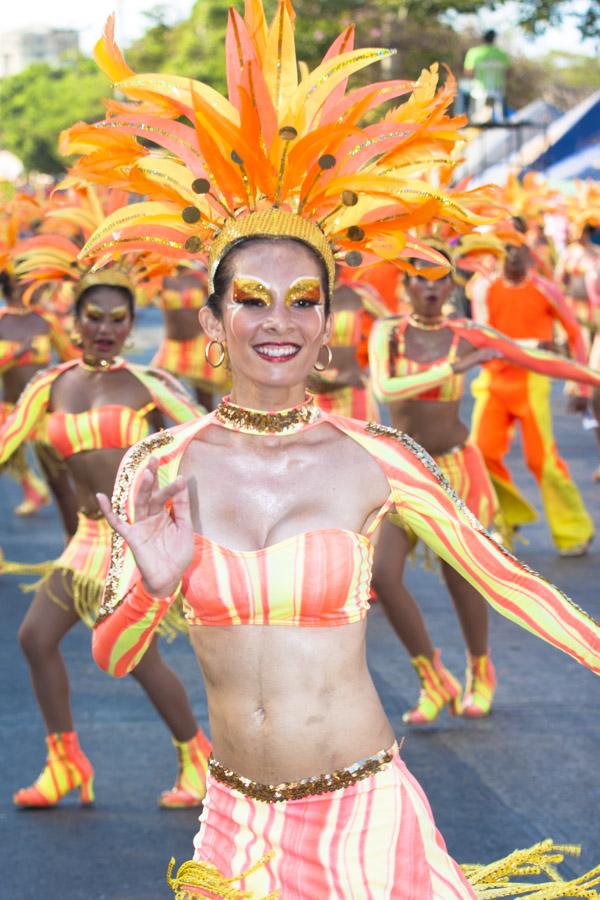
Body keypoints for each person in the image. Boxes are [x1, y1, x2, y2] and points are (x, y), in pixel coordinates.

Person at [74, 7, 600, 895]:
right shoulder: (158, 466)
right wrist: (151, 593)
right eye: (251, 298)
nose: (277, 320)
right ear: (212, 321)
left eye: (303, 300)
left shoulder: (378, 457)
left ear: (326, 323)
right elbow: (115, 658)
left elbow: (508, 581)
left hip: (365, 819)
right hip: (235, 826)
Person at [0, 270, 211, 809]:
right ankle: (65, 762)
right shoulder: (50, 385)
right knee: (35, 638)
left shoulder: (149, 384)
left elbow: (207, 437)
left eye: (119, 319)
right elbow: (9, 442)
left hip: (138, 541)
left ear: (130, 326)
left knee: (135, 656)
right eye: (94, 317)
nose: (105, 329)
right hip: (89, 541)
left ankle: (198, 760)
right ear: (74, 322)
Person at [369, 242, 600, 723]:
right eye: (421, 280)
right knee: (381, 575)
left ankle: (480, 671)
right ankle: (433, 676)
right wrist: (454, 367)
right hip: (401, 469)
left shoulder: (468, 332)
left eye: (440, 282)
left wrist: (590, 378)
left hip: (455, 469)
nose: (431, 291)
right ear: (406, 284)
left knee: (462, 577)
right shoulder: (388, 333)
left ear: (452, 286)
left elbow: (537, 361)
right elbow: (385, 389)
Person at [469, 233, 594, 556]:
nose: (511, 256)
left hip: (531, 382)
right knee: (480, 452)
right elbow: (484, 338)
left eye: (517, 249)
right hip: (493, 381)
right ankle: (506, 519)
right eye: (505, 249)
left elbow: (574, 333)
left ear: (529, 252)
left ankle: (573, 531)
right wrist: (532, 345)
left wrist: (580, 383)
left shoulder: (544, 289)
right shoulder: (483, 288)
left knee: (542, 461)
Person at [0, 269, 79, 531]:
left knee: (60, 480)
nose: (24, 287)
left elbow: (70, 356)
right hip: (10, 411)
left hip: (44, 411)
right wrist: (15, 354)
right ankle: (32, 489)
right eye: (18, 281)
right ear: (6, 284)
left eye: (29, 281)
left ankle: (77, 544)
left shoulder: (45, 320)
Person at [151, 265, 229, 410]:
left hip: (198, 344)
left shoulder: (199, 278)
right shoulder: (160, 279)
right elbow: (139, 297)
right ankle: (163, 432)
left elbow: (221, 298)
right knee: (155, 391)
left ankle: (207, 429)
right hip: (172, 346)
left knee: (204, 400)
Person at [463, 29, 510, 123]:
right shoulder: (502, 54)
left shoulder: (473, 52)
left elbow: (467, 72)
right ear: (494, 39)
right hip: (497, 89)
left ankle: (464, 116)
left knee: (462, 87)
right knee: (503, 91)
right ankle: (504, 115)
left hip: (478, 88)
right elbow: (509, 73)